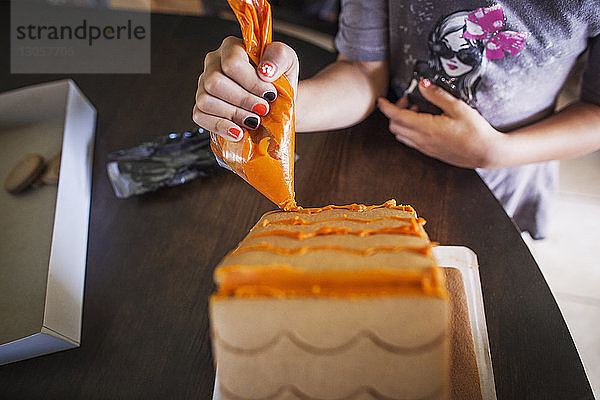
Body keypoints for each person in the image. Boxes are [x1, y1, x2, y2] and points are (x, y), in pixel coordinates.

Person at [192, 1, 600, 239]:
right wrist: (279, 105)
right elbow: (362, 72)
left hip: (503, 180)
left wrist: (497, 151)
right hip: (384, 159)